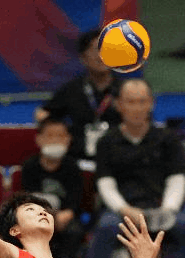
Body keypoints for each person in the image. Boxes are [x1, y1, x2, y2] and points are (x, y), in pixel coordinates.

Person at [84, 79, 185, 258]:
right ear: (119, 105)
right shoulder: (106, 142)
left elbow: (177, 179)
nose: (137, 108)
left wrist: (168, 209)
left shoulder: (168, 139)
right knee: (105, 229)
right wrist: (125, 210)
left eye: (142, 101)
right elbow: (105, 183)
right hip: (120, 212)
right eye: (130, 102)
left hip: (162, 209)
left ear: (151, 103)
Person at [35, 28, 123, 160]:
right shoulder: (71, 89)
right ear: (83, 58)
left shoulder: (126, 90)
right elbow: (44, 114)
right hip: (78, 160)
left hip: (118, 160)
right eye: (96, 50)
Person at [20, 117, 84, 258]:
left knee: (74, 231)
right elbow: (27, 198)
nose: (55, 140)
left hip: (65, 217)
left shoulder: (72, 167)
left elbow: (76, 200)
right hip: (37, 217)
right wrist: (47, 217)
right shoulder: (30, 166)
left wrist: (65, 215)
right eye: (50, 135)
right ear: (39, 139)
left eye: (60, 136)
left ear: (68, 139)